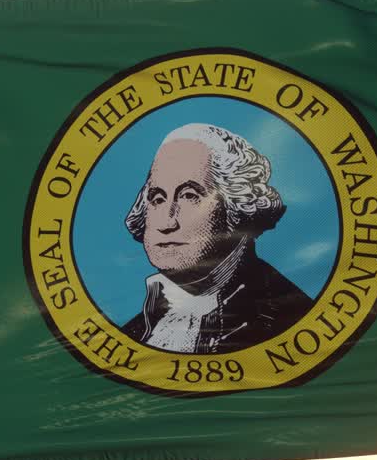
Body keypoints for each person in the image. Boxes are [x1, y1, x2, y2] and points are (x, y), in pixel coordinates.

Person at [120, 123, 313, 353]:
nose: (167, 222)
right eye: (157, 198)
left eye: (189, 196)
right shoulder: (134, 332)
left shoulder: (290, 322)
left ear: (240, 207)